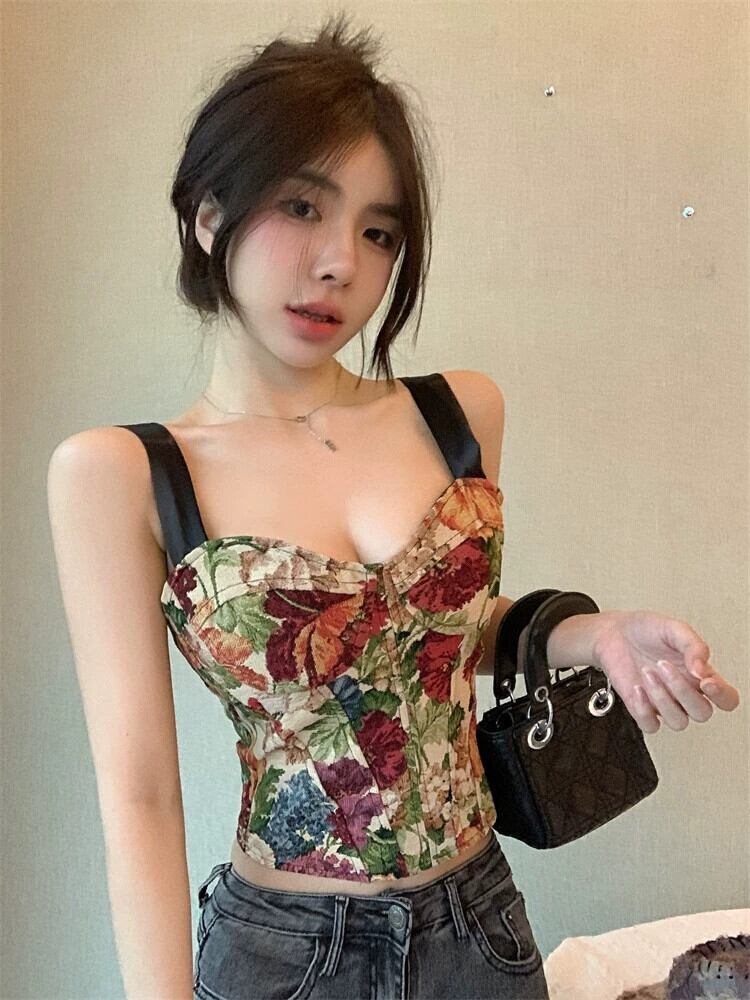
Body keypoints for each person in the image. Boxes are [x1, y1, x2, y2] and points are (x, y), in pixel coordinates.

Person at [46, 12, 739, 1000]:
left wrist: (590, 631)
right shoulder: (123, 473)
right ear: (207, 213)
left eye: (378, 232)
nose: (342, 262)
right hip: (286, 956)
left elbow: (430, 635)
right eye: (301, 207)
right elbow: (141, 794)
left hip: (481, 929)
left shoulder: (458, 414)